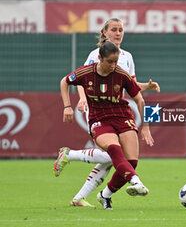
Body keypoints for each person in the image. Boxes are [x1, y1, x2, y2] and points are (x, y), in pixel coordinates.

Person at [54, 18, 159, 208]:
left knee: (122, 159)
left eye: (121, 30)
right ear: (105, 32)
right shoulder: (95, 56)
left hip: (119, 111)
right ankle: (134, 182)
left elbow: (131, 87)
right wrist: (80, 99)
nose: (118, 33)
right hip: (97, 110)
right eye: (114, 30)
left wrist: (147, 87)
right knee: (113, 152)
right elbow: (82, 79)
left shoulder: (126, 58)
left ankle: (89, 189)